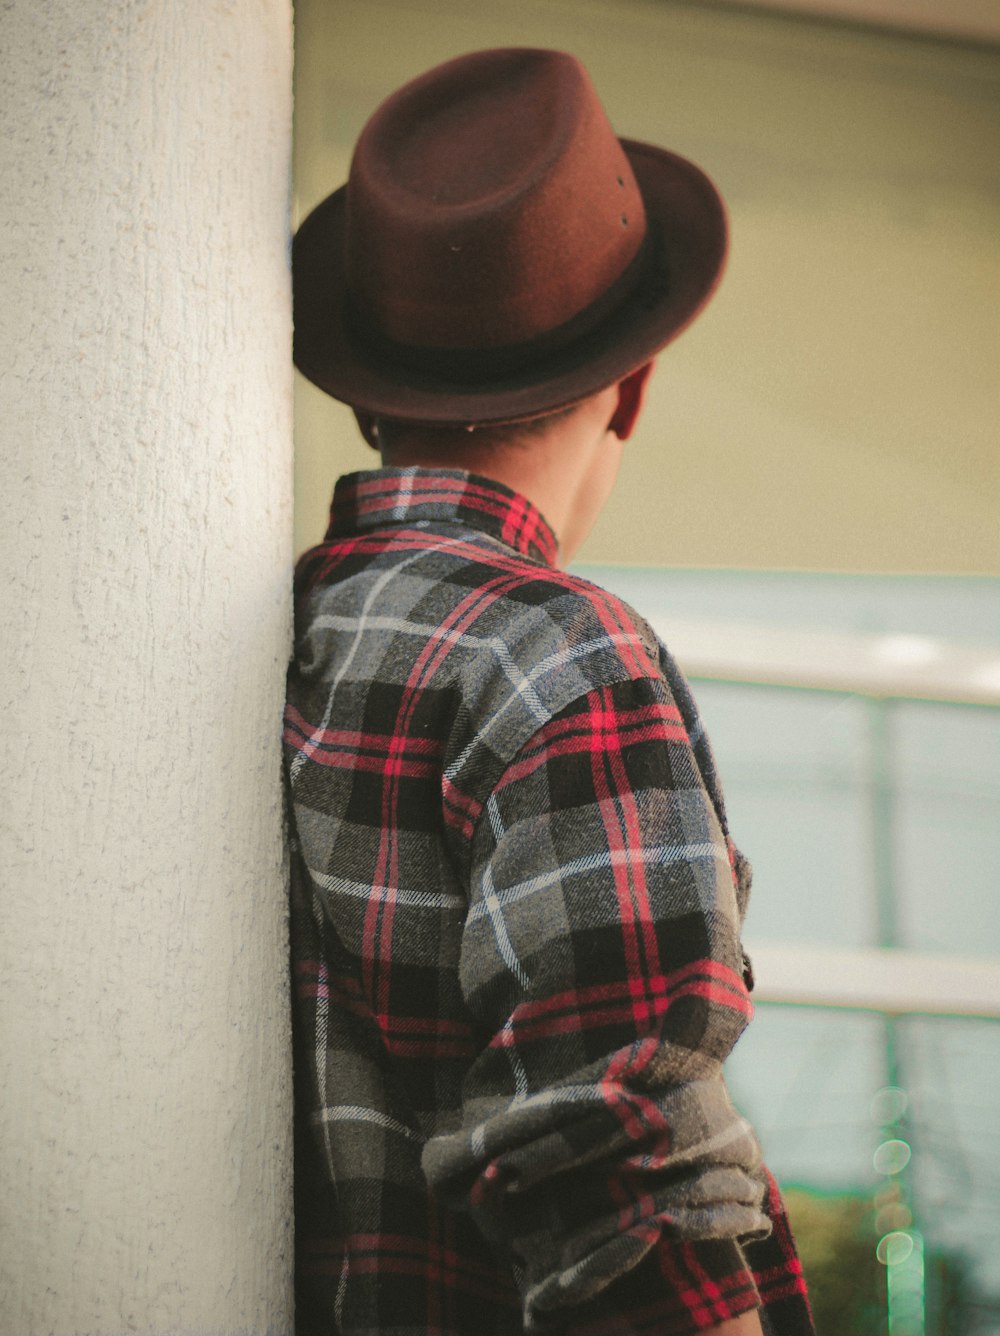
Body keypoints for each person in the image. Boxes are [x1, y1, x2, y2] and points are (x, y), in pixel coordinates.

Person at [287, 47, 814, 1336]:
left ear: (370, 398)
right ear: (631, 387)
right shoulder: (559, 655)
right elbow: (620, 1172)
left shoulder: (281, 628)